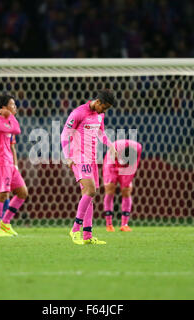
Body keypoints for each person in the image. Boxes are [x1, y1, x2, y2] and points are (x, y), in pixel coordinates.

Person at [61, 89, 117, 245]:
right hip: (79, 156)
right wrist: (68, 156)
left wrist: (110, 145)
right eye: (104, 107)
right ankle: (75, 229)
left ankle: (87, 235)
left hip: (92, 158)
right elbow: (65, 134)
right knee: (91, 190)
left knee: (90, 195)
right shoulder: (78, 113)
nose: (104, 111)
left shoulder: (100, 115)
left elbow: (101, 133)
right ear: (98, 102)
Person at [0, 94, 28, 237]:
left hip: (9, 163)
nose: (15, 107)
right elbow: (17, 130)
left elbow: (15, 132)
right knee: (1, 196)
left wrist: (10, 115)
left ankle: (5, 223)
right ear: (3, 108)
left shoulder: (6, 121)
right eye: (12, 105)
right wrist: (10, 116)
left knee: (22, 192)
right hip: (1, 163)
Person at [103, 139, 142, 232]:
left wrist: (126, 183)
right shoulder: (114, 147)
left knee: (127, 190)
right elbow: (109, 163)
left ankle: (125, 224)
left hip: (128, 167)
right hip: (112, 163)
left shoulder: (138, 148)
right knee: (110, 188)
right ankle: (109, 224)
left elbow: (134, 166)